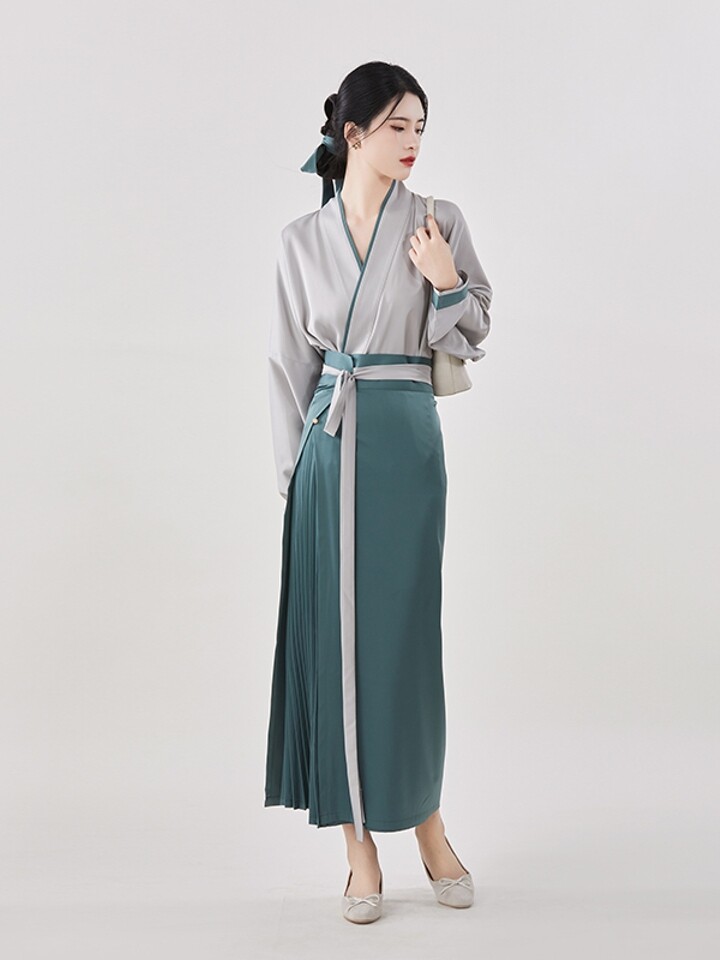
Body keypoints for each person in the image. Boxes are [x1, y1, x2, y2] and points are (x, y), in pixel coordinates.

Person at [263, 61, 493, 923]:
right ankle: (358, 850)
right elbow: (287, 366)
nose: (413, 142)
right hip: (328, 449)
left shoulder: (439, 220)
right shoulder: (299, 241)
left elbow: (477, 325)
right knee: (336, 646)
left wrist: (444, 277)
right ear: (353, 134)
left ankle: (429, 826)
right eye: (397, 126)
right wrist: (293, 478)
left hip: (406, 440)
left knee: (405, 643)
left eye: (420, 127)